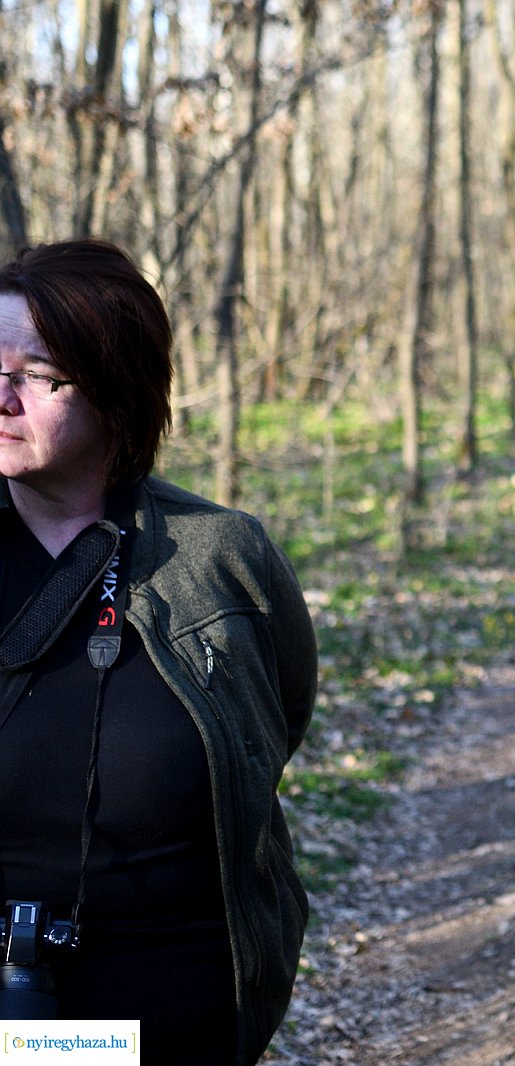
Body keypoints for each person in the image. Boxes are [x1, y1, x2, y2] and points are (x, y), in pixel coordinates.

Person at [0, 238, 316, 1063]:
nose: (2, 397)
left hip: (179, 1000)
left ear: (116, 387)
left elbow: (273, 722)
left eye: (38, 375)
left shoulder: (221, 556)